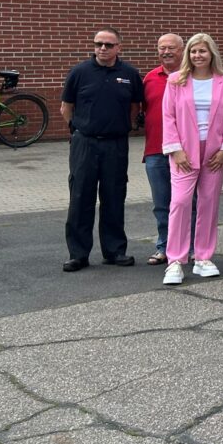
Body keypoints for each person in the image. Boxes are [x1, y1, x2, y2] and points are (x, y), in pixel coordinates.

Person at [61, 26, 145, 272]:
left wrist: (123, 127)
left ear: (119, 47)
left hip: (115, 144)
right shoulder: (79, 72)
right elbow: (67, 106)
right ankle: (78, 254)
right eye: (98, 44)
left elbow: (134, 107)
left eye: (108, 45)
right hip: (84, 143)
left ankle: (115, 250)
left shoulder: (129, 73)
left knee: (114, 196)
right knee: (80, 198)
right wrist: (76, 130)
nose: (102, 48)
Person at [160, 34, 223, 285]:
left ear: (211, 53)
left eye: (202, 51)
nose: (198, 56)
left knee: (208, 202)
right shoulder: (176, 80)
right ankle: (175, 260)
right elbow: (168, 117)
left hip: (215, 151)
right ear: (188, 54)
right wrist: (176, 149)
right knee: (180, 203)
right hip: (184, 151)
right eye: (193, 51)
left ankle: (203, 257)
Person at [142, 33, 183, 266]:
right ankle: (164, 246)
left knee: (189, 201)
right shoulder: (149, 78)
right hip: (156, 150)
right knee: (161, 203)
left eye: (171, 48)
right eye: (161, 48)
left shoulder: (192, 77)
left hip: (186, 152)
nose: (166, 52)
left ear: (181, 50)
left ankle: (190, 246)